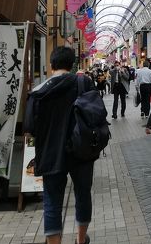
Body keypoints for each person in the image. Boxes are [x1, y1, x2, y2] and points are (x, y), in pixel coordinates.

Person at [22, 46, 98, 244]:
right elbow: (97, 114)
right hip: (82, 149)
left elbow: (29, 127)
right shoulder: (84, 82)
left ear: (51, 65)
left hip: (50, 151)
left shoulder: (38, 92)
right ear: (72, 65)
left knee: (52, 202)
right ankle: (81, 240)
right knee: (83, 194)